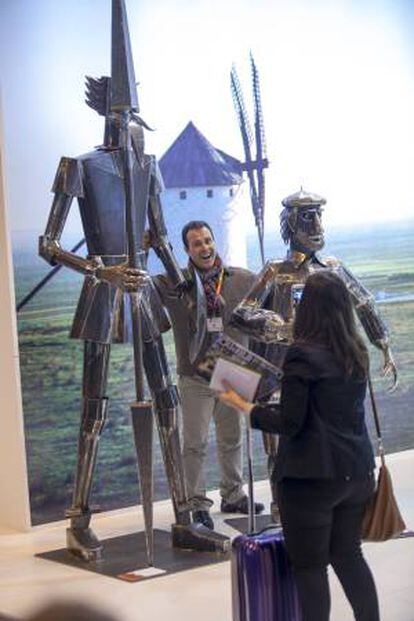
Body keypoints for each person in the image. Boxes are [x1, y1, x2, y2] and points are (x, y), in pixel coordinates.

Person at [219, 271, 380, 621]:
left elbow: (291, 423)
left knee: (310, 569)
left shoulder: (301, 356)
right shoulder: (357, 352)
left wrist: (243, 405)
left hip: (311, 478)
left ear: (306, 308)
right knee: (349, 557)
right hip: (356, 472)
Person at [231, 188, 397, 523]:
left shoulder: (333, 268)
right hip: (282, 372)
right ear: (292, 222)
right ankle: (282, 513)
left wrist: (384, 345)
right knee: (280, 447)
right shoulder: (275, 271)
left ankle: (333, 510)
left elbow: (364, 302)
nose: (317, 223)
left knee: (331, 439)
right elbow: (240, 314)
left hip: (331, 374)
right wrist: (279, 327)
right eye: (308, 216)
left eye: (319, 214)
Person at [152, 220, 265, 530]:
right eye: (197, 243)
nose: (204, 247)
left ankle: (233, 495)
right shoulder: (174, 285)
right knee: (195, 443)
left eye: (207, 240)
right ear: (187, 250)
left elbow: (267, 314)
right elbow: (141, 288)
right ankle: (197, 503)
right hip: (195, 377)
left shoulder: (243, 280)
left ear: (215, 242)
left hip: (231, 374)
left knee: (232, 438)